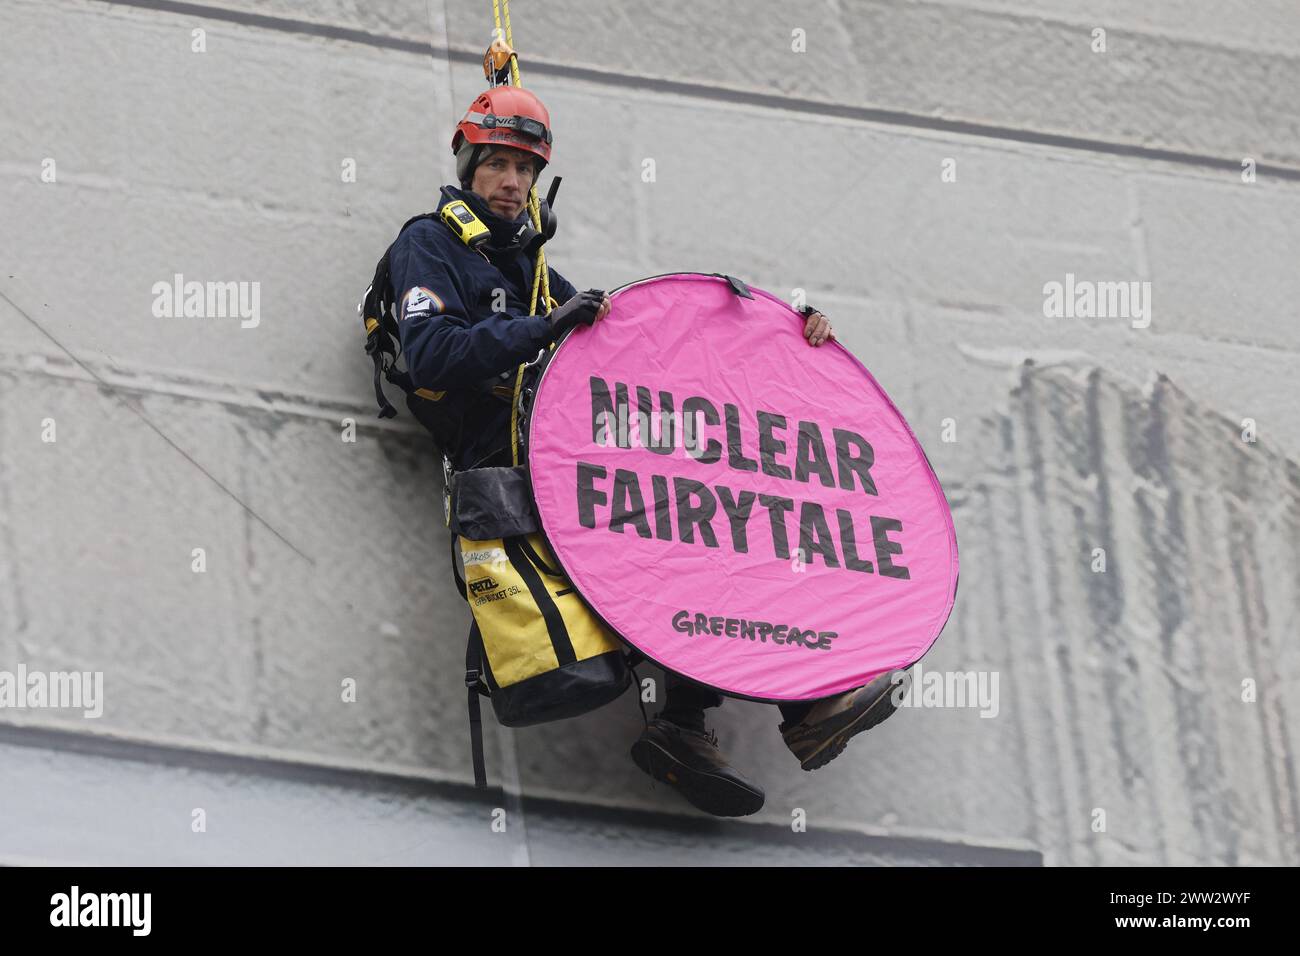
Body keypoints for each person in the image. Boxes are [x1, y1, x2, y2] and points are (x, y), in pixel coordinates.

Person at [390, 85, 899, 820]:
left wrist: (789, 342)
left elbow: (656, 365)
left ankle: (760, 712)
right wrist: (546, 329)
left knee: (705, 528)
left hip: (568, 464)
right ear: (468, 169)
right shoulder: (429, 245)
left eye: (526, 171)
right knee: (677, 547)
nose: (512, 183)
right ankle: (753, 714)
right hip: (506, 478)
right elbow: (432, 354)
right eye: (498, 165)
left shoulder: (536, 274)